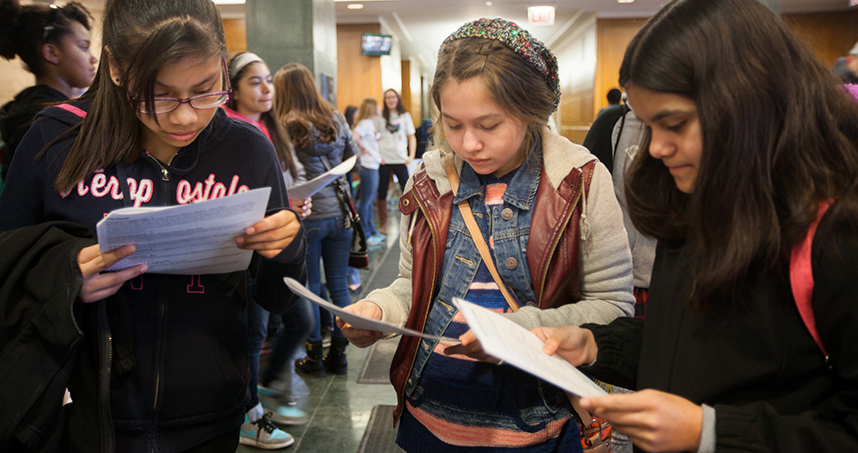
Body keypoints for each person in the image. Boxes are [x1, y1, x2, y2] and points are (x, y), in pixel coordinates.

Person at [533, 0, 858, 451]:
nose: (657, 149)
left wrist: (708, 433)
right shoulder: (694, 204)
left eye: (675, 124)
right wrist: (594, 346)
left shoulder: (837, 231)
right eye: (647, 126)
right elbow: (692, 345)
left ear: (749, 103)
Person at [0, 0, 308, 450]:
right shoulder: (54, 140)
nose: (185, 117)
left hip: (211, 414)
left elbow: (277, 298)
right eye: (158, 94)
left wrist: (287, 249)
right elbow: (8, 264)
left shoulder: (247, 149)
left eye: (206, 89)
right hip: (83, 414)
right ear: (116, 68)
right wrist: (65, 279)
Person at [340, 18, 635, 452]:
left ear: (532, 109)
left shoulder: (579, 182)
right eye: (453, 124)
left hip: (539, 424)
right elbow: (411, 285)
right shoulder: (428, 179)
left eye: (489, 125)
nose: (468, 144)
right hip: (428, 416)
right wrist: (379, 310)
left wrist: (517, 332)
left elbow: (613, 307)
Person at [222, 50, 312, 445]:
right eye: (254, 81)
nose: (265, 88)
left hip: (277, 246)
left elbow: (277, 189)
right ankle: (248, 412)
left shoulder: (269, 129)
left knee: (285, 322)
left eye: (268, 80)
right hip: (246, 251)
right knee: (257, 333)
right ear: (234, 90)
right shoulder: (233, 131)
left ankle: (255, 401)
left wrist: (297, 205)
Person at [270, 62, 359, 378]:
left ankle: (314, 355)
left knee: (309, 286)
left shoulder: (282, 124)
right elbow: (353, 156)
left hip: (307, 215)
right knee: (338, 283)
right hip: (341, 211)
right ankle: (339, 353)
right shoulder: (334, 117)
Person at [0, 0, 97, 182]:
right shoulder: (52, 123)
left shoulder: (25, 109)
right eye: (84, 47)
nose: (93, 59)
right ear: (51, 53)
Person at [373, 88, 415, 234]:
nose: (391, 100)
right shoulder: (380, 117)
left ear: (397, 99)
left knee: (408, 189)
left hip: (400, 159)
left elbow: (411, 136)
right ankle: (383, 224)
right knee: (382, 191)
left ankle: (411, 222)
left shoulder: (405, 116)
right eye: (388, 97)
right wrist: (379, 156)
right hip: (385, 159)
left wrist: (411, 156)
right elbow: (374, 137)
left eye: (393, 97)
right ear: (385, 100)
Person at [352, 97, 385, 246]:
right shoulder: (364, 123)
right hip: (367, 166)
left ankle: (371, 230)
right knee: (366, 200)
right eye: (378, 105)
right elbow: (354, 136)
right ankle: (365, 234)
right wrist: (363, 149)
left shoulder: (369, 123)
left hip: (373, 165)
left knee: (370, 199)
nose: (380, 107)